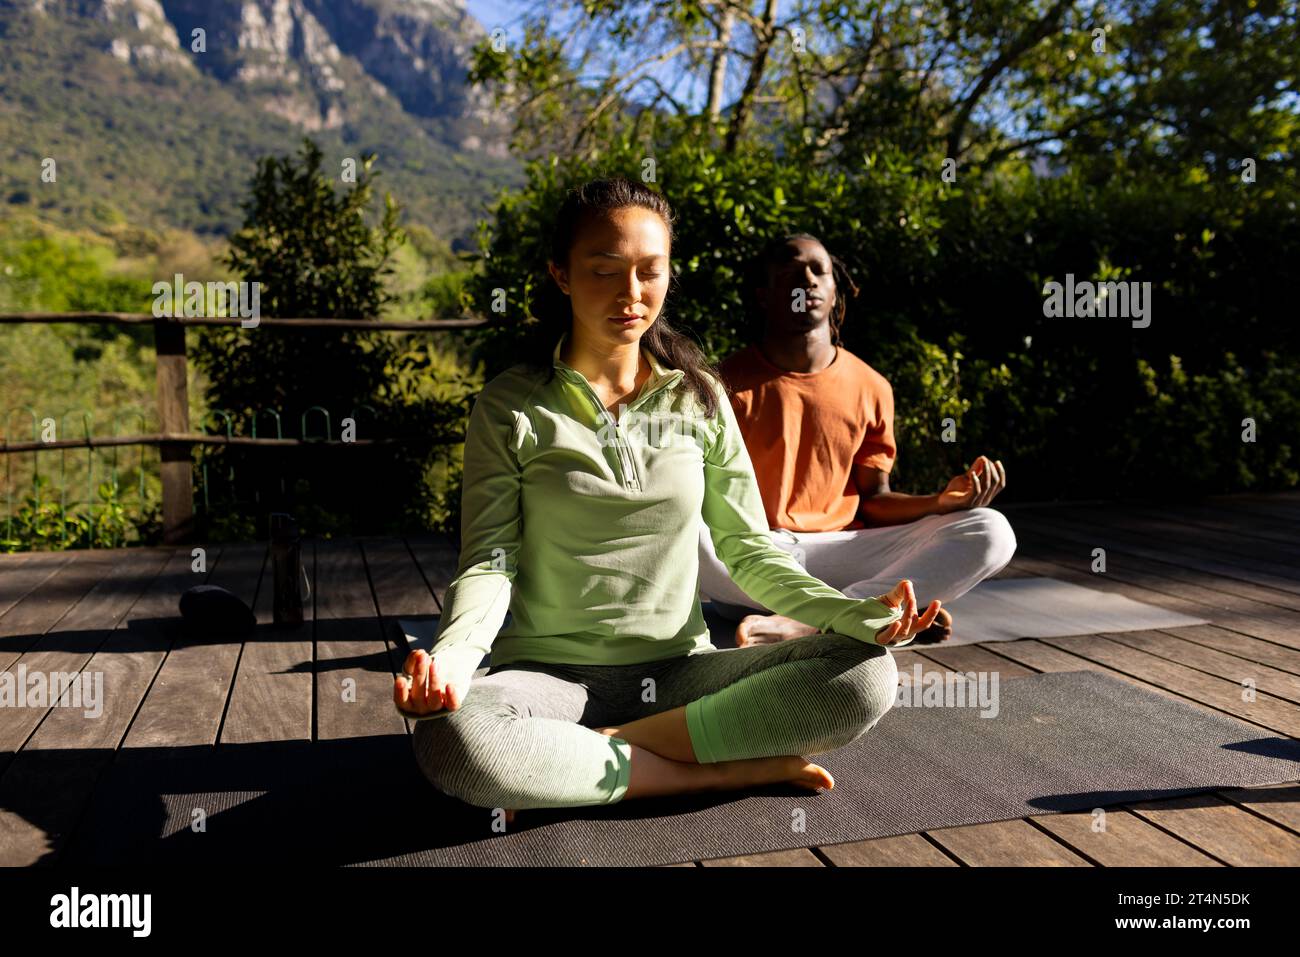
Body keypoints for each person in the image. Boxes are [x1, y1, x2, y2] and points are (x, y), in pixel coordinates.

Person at [393, 180, 941, 816]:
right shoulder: (512, 404)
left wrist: (856, 617)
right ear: (561, 275)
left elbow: (749, 551)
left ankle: (605, 755)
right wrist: (450, 666)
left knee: (868, 675)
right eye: (604, 271)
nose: (632, 295)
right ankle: (705, 773)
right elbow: (490, 561)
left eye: (650, 272)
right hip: (546, 678)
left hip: (680, 674)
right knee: (453, 741)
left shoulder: (699, 398)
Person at [698, 233, 1017, 647]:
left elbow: (875, 499)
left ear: (835, 290)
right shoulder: (719, 384)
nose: (808, 280)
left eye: (819, 270)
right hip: (755, 560)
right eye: (792, 272)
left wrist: (942, 503)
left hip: (844, 552)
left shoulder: (871, 386)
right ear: (763, 295)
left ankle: (824, 620)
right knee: (680, 524)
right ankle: (880, 610)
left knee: (991, 530)